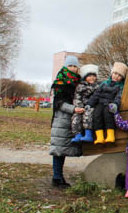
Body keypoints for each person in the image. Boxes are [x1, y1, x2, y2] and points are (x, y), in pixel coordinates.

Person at [49, 55, 83, 188]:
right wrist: (74, 109)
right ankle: (57, 177)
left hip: (72, 119)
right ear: (65, 66)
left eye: (75, 66)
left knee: (63, 149)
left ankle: (59, 177)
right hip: (61, 119)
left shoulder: (78, 82)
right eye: (70, 66)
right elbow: (59, 103)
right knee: (59, 149)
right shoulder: (60, 82)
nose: (73, 68)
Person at [87, 62, 128, 144]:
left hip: (110, 103)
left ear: (122, 78)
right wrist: (89, 104)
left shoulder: (120, 86)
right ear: (112, 73)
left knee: (108, 114)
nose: (116, 76)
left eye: (119, 75)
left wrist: (115, 104)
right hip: (100, 103)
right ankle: (100, 137)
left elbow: (119, 96)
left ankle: (110, 135)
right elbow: (96, 94)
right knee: (97, 114)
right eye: (115, 73)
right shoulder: (104, 83)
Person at [71, 64, 99, 143]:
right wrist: (79, 107)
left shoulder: (97, 86)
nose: (92, 78)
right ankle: (78, 135)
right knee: (76, 116)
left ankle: (88, 134)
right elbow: (77, 97)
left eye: (93, 76)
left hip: (92, 106)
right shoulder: (80, 86)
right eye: (89, 76)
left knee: (88, 114)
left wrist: (89, 105)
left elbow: (97, 97)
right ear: (85, 77)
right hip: (81, 106)